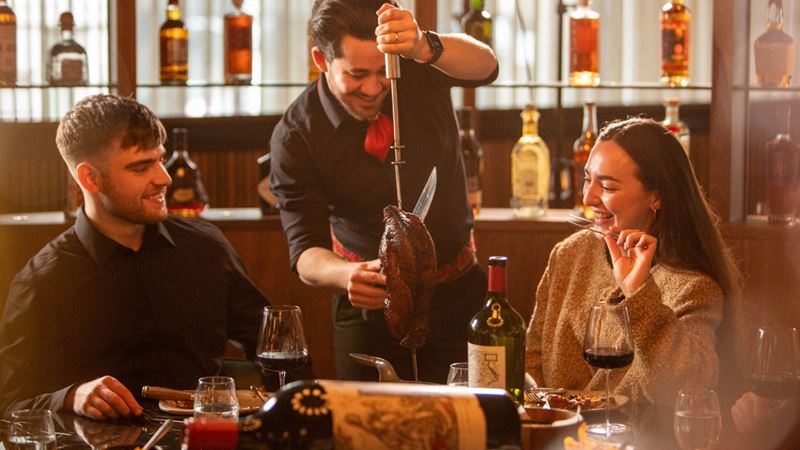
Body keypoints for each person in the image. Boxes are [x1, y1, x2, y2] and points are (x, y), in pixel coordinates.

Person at [269, 0, 498, 383]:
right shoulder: (296, 135)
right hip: (368, 307)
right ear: (321, 60)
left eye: (381, 71)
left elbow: (487, 67)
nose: (374, 87)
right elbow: (304, 249)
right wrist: (346, 275)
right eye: (357, 74)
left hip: (457, 291)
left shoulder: (415, 66)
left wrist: (425, 45)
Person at [0, 94, 267, 420]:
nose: (164, 178)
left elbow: (273, 345)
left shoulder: (207, 249)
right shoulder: (43, 282)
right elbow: (10, 405)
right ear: (90, 178)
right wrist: (71, 396)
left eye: (160, 160)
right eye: (141, 167)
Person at [526, 117, 740, 406]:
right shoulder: (569, 255)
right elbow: (532, 361)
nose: (588, 197)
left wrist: (638, 292)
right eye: (588, 178)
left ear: (656, 196)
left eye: (609, 187)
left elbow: (688, 388)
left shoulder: (694, 287)